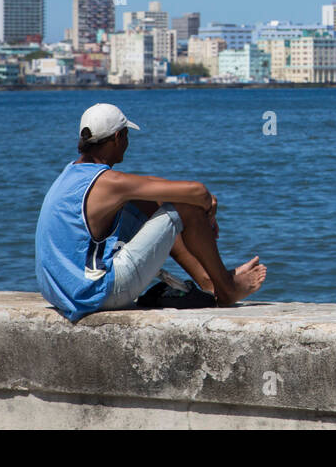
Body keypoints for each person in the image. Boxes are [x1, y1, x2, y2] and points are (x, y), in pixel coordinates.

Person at [36, 103, 266, 321]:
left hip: (60, 292)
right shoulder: (110, 183)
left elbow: (151, 187)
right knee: (185, 207)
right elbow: (198, 192)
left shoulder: (71, 174)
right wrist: (207, 210)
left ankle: (210, 282)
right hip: (97, 294)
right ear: (118, 137)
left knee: (145, 205)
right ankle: (226, 288)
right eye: (126, 135)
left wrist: (201, 202)